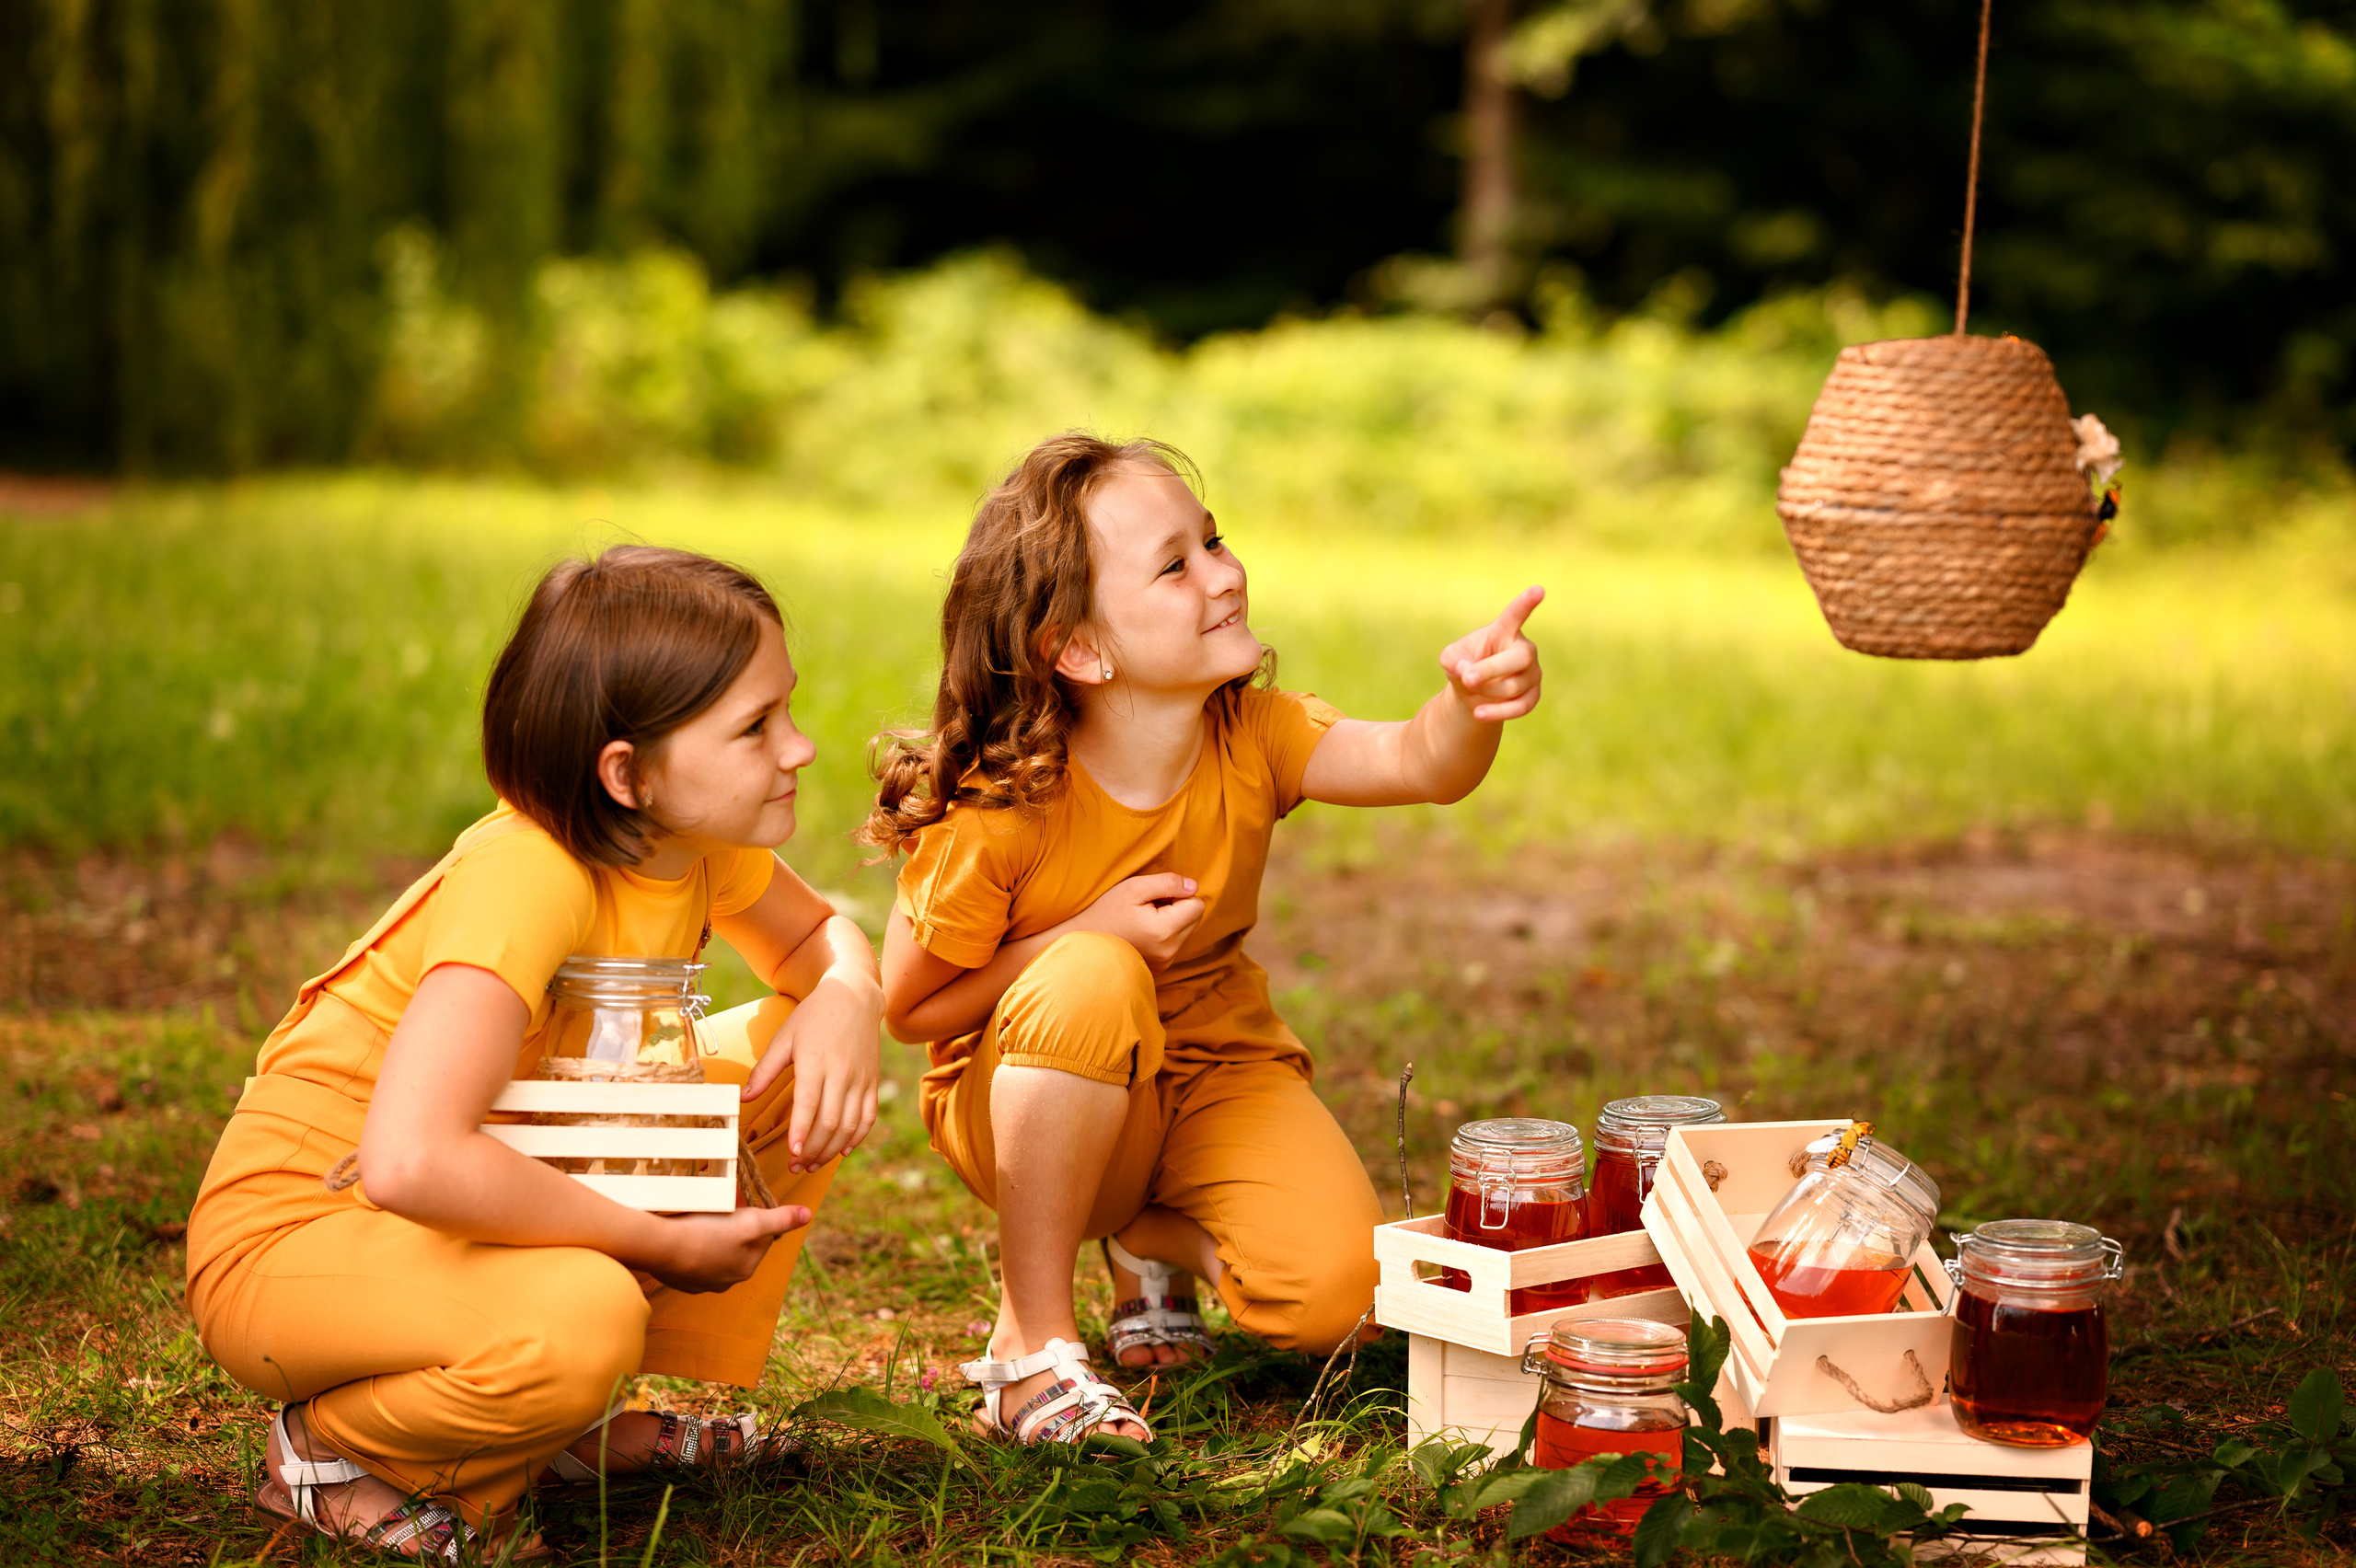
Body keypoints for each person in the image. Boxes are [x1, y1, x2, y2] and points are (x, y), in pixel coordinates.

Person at [185, 547, 883, 1558]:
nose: (800, 748)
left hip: (471, 1187)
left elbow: (819, 945)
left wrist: (848, 991)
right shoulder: (528, 873)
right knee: (581, 1312)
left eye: (788, 711)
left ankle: (556, 1422)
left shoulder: (687, 842)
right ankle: (331, 1453)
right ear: (626, 774)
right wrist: (662, 1245)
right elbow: (411, 1160)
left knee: (795, 1044)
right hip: (307, 1229)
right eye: (755, 728)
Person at [863, 435, 1544, 1445]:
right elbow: (911, 1010)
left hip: (1213, 1068)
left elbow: (1415, 760)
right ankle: (1034, 1353)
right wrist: (1084, 934)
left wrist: (1467, 706)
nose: (1224, 575)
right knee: (1093, 973)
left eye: (1213, 541)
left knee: (1344, 1300)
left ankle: (1146, 1238)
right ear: (1078, 649)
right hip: (1031, 1094)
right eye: (1175, 565)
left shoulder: (1252, 733)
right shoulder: (1000, 814)